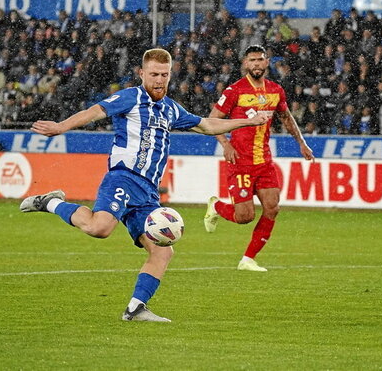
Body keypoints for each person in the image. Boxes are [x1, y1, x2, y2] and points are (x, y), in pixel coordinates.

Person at [19, 48, 268, 322]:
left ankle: (136, 308)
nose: (159, 80)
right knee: (100, 228)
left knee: (163, 251)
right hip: (124, 177)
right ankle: (51, 202)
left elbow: (207, 125)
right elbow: (95, 111)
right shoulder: (130, 97)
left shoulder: (171, 108)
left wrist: (248, 121)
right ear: (142, 74)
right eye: (153, 74)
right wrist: (61, 126)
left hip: (148, 192)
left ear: (170, 74)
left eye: (164, 74)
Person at [203, 45, 314, 272]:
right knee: (245, 217)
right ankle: (216, 206)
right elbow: (211, 121)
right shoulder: (235, 90)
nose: (256, 64)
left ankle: (248, 259)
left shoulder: (275, 90)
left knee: (272, 208)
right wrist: (225, 144)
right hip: (240, 162)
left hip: (263, 161)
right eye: (251, 60)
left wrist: (301, 143)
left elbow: (286, 117)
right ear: (245, 63)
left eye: (260, 60)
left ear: (267, 62)